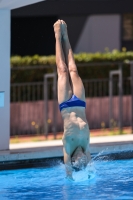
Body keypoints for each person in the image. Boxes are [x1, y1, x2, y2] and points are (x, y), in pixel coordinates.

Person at [53, 20, 91, 180]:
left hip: (66, 105)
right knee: (73, 70)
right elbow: (90, 169)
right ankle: (66, 36)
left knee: (62, 71)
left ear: (74, 161)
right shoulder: (86, 147)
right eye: (84, 159)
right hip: (80, 103)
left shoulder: (68, 148)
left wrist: (70, 178)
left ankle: (57, 36)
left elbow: (68, 171)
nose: (82, 157)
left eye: (79, 160)